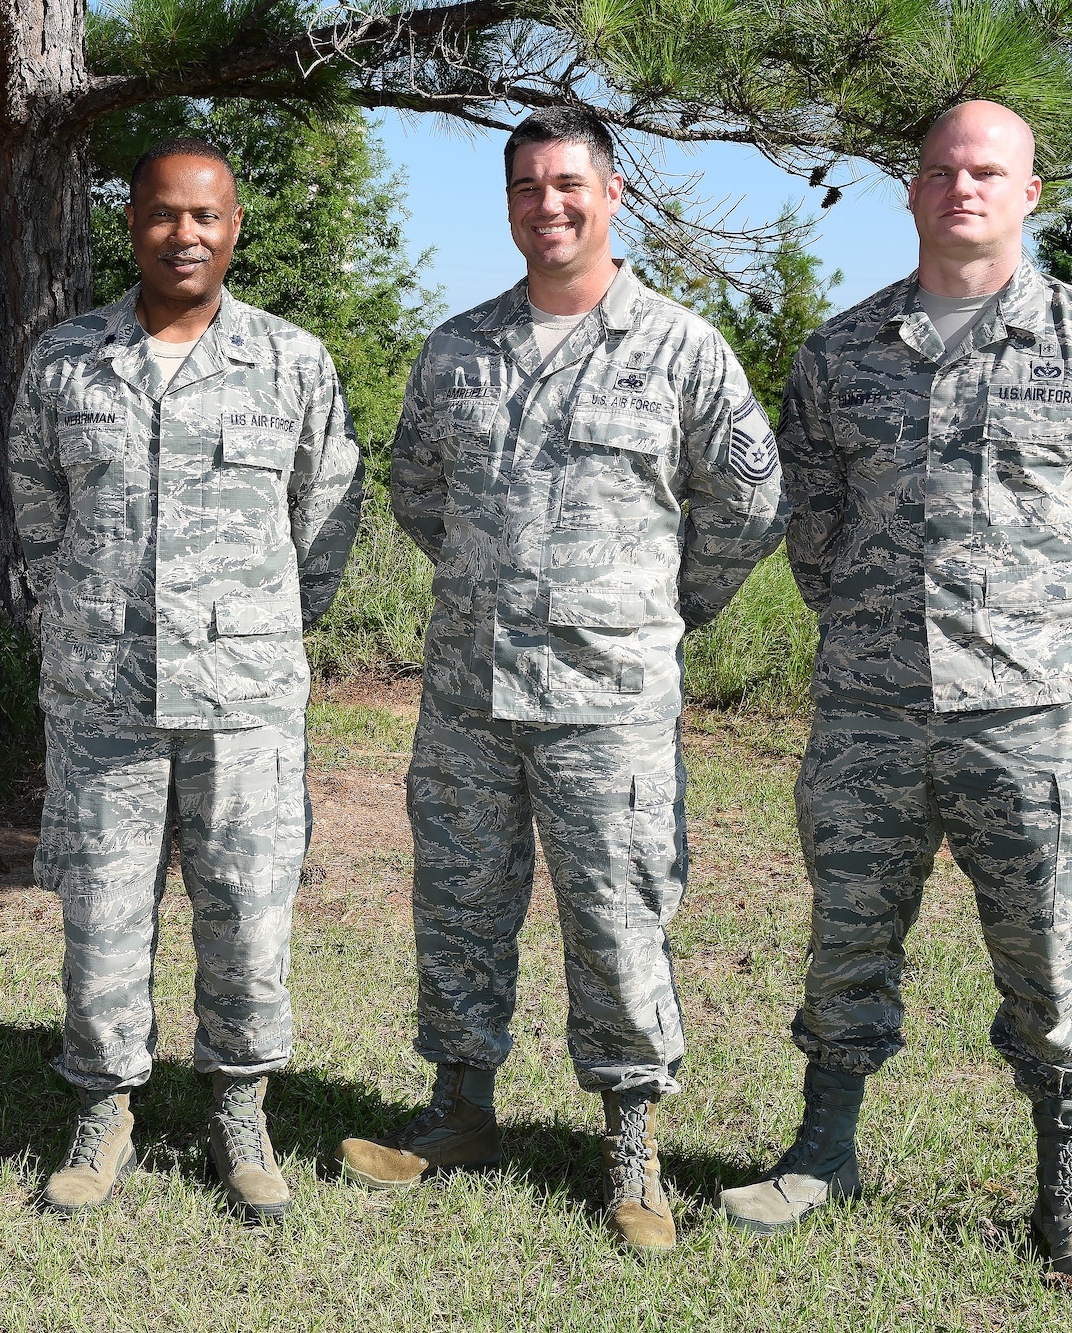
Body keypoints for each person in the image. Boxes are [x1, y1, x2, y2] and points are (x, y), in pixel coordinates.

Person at [718, 101, 1072, 1300]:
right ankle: (823, 1151)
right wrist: (873, 625)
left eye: (987, 170)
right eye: (939, 170)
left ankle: (1065, 1192)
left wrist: (1046, 629)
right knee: (845, 939)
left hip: (1027, 718)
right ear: (911, 190)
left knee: (1046, 954)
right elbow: (810, 521)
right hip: (868, 707)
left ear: (1030, 191)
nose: (961, 188)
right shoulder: (839, 350)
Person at [332, 108, 787, 1255]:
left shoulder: (679, 349)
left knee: (618, 918)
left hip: (609, 703)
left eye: (569, 184)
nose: (549, 205)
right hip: (468, 696)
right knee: (458, 903)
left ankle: (630, 1150)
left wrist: (657, 609)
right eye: (528, 186)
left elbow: (747, 504)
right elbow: (416, 492)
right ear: (508, 203)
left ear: (611, 193)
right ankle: (458, 1111)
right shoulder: (456, 349)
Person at [9, 137, 363, 1223]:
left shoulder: (291, 361)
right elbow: (33, 511)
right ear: (131, 225)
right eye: (163, 215)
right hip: (102, 696)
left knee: (249, 913)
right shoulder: (66, 358)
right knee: (102, 916)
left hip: (245, 699)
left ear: (235, 227)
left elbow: (324, 517)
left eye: (206, 216)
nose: (184, 234)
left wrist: (254, 630)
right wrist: (81, 620)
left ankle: (239, 1105)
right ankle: (104, 1105)